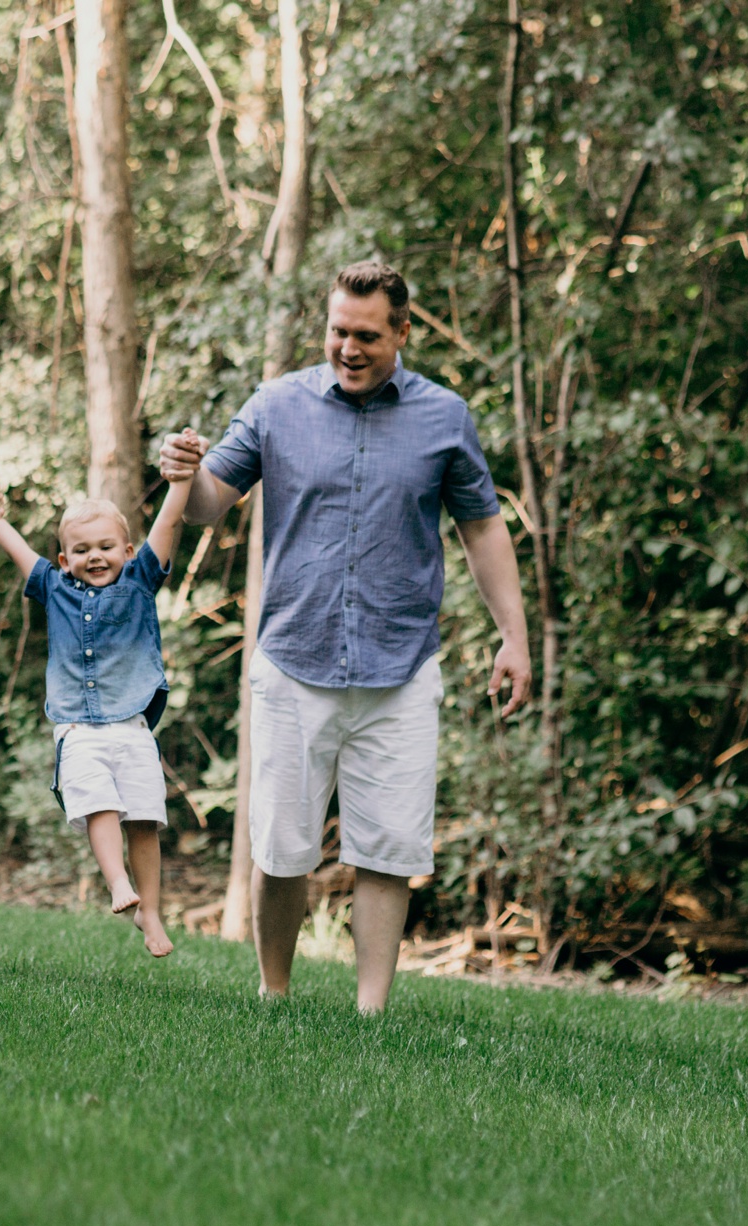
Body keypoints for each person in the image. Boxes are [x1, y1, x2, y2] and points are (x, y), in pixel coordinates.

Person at [158, 260, 533, 1013]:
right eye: (338, 331)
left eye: (367, 334)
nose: (349, 348)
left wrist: (513, 639)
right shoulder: (276, 404)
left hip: (401, 667)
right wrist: (181, 473)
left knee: (389, 849)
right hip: (295, 661)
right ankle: (275, 994)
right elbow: (208, 503)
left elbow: (483, 527)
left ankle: (371, 1012)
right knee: (282, 847)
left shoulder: (443, 416)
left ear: (402, 331)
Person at [0, 476, 193, 957]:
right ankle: (117, 883)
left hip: (133, 727)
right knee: (97, 804)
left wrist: (182, 480)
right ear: (65, 560)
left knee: (145, 820)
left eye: (107, 546)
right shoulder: (55, 587)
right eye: (82, 550)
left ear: (128, 551)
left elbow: (168, 521)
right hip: (77, 728)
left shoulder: (140, 581)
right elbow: (18, 548)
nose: (95, 556)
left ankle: (150, 911)